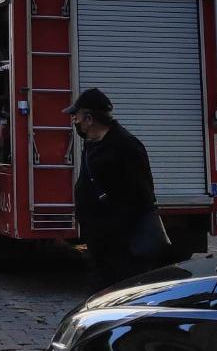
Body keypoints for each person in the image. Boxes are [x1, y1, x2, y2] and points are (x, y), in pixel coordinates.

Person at [66, 87, 165, 289]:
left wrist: (115, 228)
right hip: (100, 242)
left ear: (89, 118)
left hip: (121, 245)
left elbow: (142, 194)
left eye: (76, 116)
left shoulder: (126, 146)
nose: (74, 121)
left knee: (121, 292)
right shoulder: (92, 144)